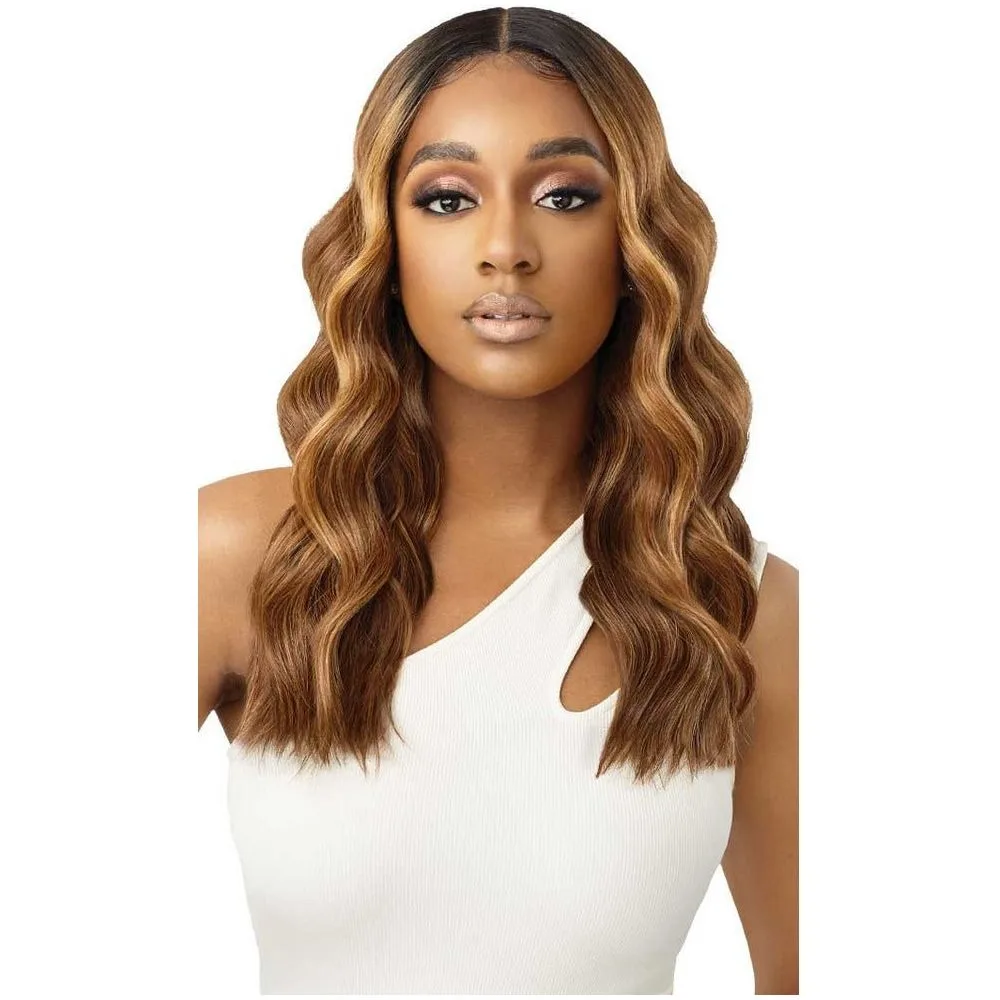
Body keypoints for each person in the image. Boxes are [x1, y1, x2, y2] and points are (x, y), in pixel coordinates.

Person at [198, 6, 798, 995]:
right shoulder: (247, 551)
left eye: (565, 195)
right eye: (447, 198)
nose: (506, 247)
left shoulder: (743, 604)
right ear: (383, 241)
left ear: (636, 241)